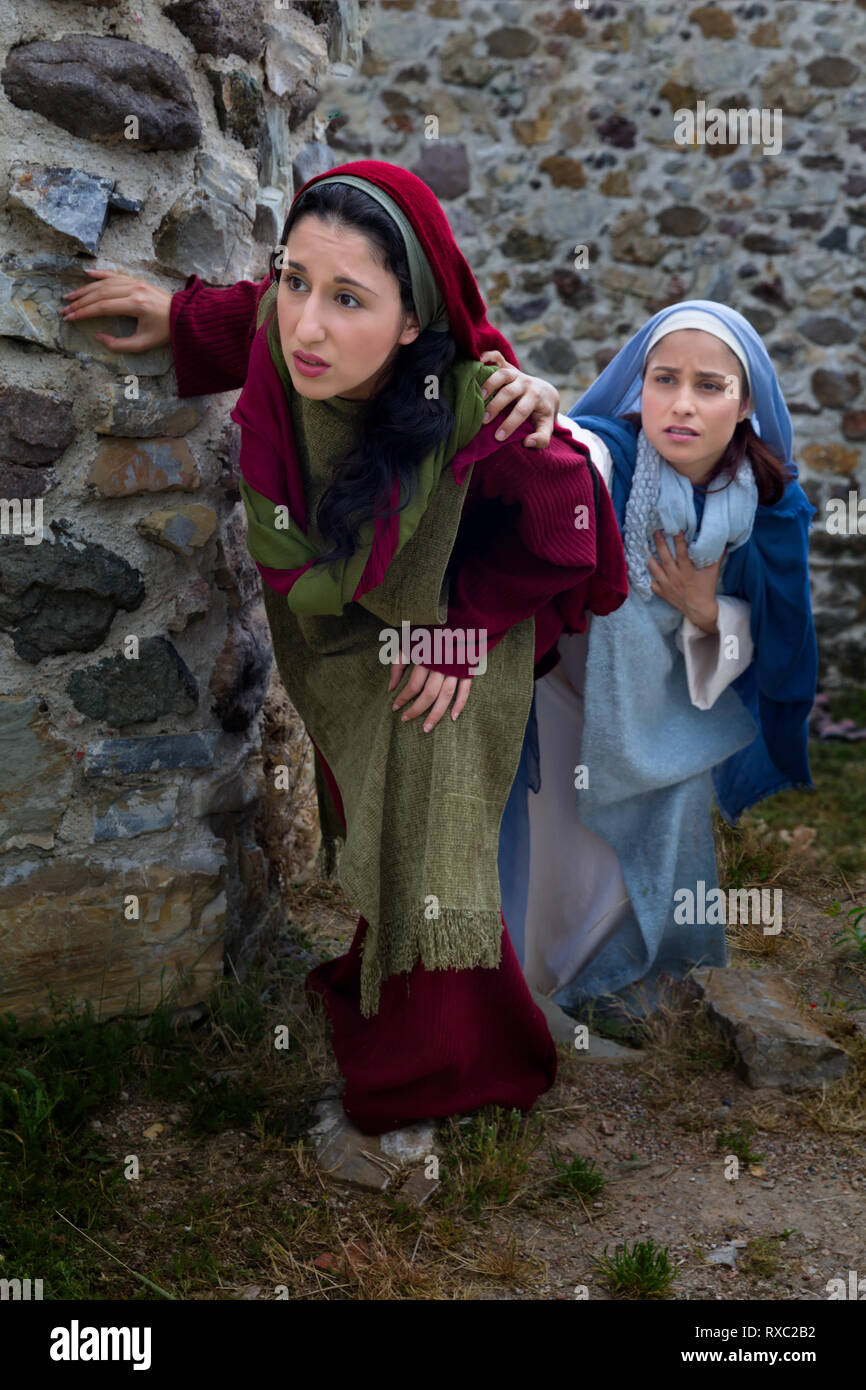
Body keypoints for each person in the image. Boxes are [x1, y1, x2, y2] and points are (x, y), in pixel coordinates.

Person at [63, 159, 628, 1134]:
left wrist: (460, 634)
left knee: (422, 823)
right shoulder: (292, 335)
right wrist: (173, 314)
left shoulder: (480, 406)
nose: (306, 325)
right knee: (373, 816)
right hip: (342, 636)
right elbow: (256, 314)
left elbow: (565, 527)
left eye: (348, 297)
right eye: (295, 281)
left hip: (457, 637)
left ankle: (421, 1093)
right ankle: (457, 1023)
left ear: (412, 322)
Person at [492, 302, 817, 1020]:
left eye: (710, 385)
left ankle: (623, 981)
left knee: (665, 822)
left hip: (673, 708)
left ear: (745, 402)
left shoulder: (770, 506)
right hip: (564, 691)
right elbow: (578, 449)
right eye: (663, 379)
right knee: (553, 851)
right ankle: (530, 981)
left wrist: (706, 610)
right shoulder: (620, 451)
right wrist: (547, 404)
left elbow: (775, 644)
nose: (682, 405)